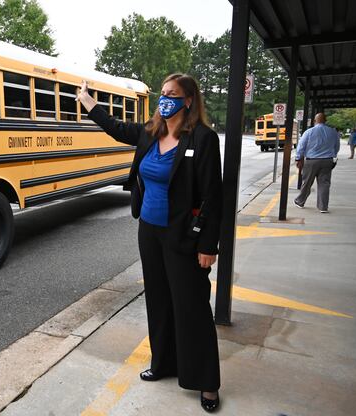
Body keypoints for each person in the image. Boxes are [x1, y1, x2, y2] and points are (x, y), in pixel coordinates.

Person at [77, 74, 223, 413]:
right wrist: (89, 103)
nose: (165, 99)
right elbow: (115, 127)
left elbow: (214, 197)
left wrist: (208, 246)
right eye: (163, 93)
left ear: (188, 100)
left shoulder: (202, 139)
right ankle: (163, 363)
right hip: (150, 232)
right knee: (159, 301)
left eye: (173, 94)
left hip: (184, 235)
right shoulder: (150, 132)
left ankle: (206, 382)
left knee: (192, 307)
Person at [294, 113, 340, 213]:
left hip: (311, 161)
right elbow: (337, 147)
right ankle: (323, 207)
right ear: (325, 120)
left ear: (315, 121)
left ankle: (300, 201)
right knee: (324, 184)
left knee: (307, 183)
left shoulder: (309, 132)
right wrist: (333, 156)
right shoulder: (333, 132)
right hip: (327, 161)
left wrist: (298, 158)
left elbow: (301, 147)